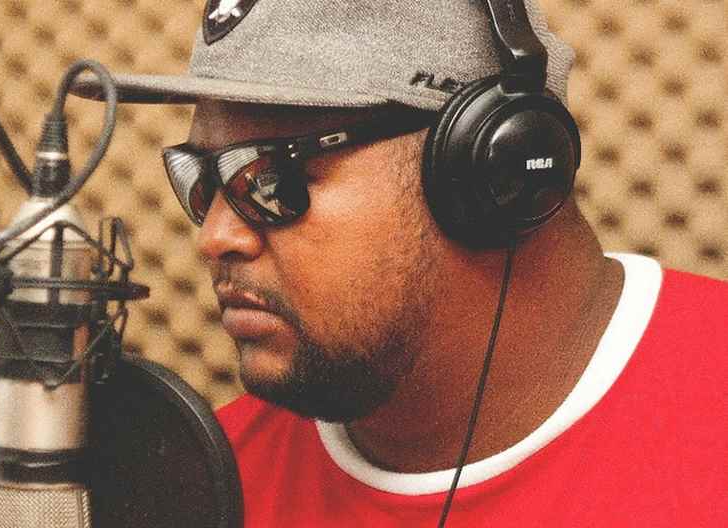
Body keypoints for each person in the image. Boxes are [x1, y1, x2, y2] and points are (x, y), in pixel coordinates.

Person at [75, 0, 728, 526]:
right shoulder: (200, 485)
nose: (215, 237)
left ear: (492, 167)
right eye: (202, 178)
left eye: (272, 177)